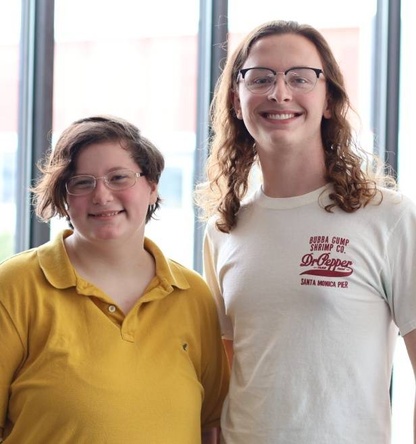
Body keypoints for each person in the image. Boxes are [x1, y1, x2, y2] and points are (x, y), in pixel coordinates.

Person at [195, 19, 416, 444]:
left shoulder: (388, 217)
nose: (279, 93)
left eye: (300, 77)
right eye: (259, 78)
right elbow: (226, 375)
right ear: (237, 103)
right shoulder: (225, 230)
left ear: (329, 99)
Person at [0, 115, 229, 444]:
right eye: (82, 182)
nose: (101, 195)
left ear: (152, 187)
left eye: (119, 178)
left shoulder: (193, 295)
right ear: (64, 197)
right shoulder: (16, 287)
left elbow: (210, 425)